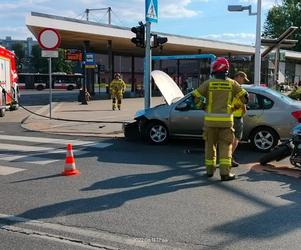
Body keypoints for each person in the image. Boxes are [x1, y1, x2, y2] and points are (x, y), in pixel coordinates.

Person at [192, 58, 248, 181]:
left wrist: (203, 107)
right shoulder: (232, 83)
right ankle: (225, 173)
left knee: (209, 146)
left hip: (210, 122)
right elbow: (245, 97)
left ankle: (209, 171)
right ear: (226, 70)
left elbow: (194, 96)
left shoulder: (208, 83)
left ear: (215, 70)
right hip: (226, 123)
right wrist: (235, 107)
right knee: (226, 147)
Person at [231, 71, 250, 167]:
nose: (243, 82)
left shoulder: (229, 86)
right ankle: (229, 157)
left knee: (227, 139)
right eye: (243, 79)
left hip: (227, 116)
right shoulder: (238, 89)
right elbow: (243, 102)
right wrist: (244, 108)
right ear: (238, 76)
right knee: (236, 138)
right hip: (236, 117)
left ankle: (224, 156)